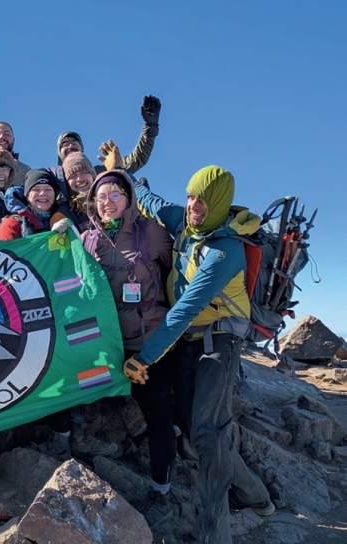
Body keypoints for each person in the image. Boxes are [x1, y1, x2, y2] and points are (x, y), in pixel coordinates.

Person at [125, 165, 272, 543]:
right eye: (190, 196)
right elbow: (153, 203)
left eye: (202, 200)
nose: (193, 205)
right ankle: (257, 497)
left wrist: (144, 358)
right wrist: (123, 174)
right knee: (197, 430)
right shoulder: (185, 225)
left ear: (219, 203)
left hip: (220, 341)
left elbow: (185, 309)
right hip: (188, 342)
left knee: (208, 436)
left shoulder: (226, 252)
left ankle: (214, 535)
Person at [75, 168, 174, 495]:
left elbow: (175, 272)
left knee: (158, 413)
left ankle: (162, 486)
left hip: (148, 345)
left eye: (115, 194)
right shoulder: (87, 239)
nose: (107, 202)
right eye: (101, 197)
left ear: (128, 198)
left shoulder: (152, 233)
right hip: (107, 343)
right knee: (85, 399)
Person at [48, 95, 162, 184]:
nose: (70, 145)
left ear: (82, 150)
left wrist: (150, 128)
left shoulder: (102, 172)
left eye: (74, 142)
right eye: (65, 144)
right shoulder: (53, 182)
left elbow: (137, 159)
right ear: (59, 154)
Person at [0, 169, 63, 240]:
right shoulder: (12, 224)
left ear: (55, 195)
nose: (42, 193)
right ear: (27, 196)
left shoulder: (64, 219)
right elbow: (2, 246)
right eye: (36, 189)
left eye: (48, 189)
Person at [57, 151, 96, 231]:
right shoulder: (66, 211)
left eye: (83, 172)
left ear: (92, 174)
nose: (79, 179)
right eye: (72, 176)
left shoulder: (108, 196)